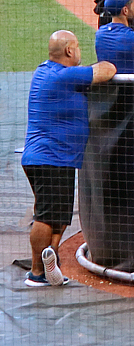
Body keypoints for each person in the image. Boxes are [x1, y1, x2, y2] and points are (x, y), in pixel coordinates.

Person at [21, 31, 116, 287]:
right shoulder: (65, 76)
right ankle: (36, 272)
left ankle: (51, 261)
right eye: (77, 47)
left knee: (59, 214)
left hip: (58, 158)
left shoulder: (45, 71)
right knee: (45, 214)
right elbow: (107, 70)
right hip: (49, 158)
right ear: (70, 52)